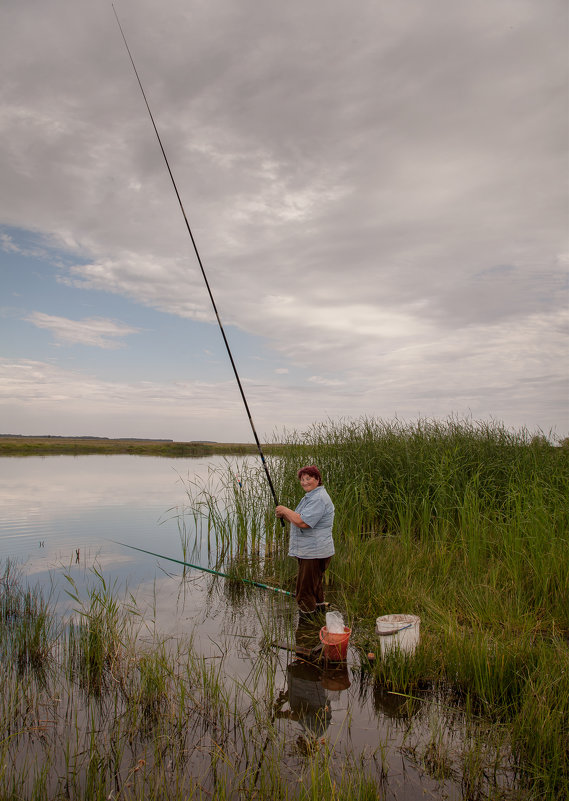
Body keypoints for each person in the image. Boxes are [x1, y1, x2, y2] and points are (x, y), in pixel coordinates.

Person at [275, 465, 335, 617]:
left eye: (308, 478)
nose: (304, 482)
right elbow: (299, 520)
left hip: (314, 553)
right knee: (315, 588)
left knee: (304, 592)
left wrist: (285, 510)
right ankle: (318, 620)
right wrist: (285, 515)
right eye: (302, 479)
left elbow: (304, 522)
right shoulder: (311, 497)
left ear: (317, 479)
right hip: (311, 551)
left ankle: (306, 626)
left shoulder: (319, 498)